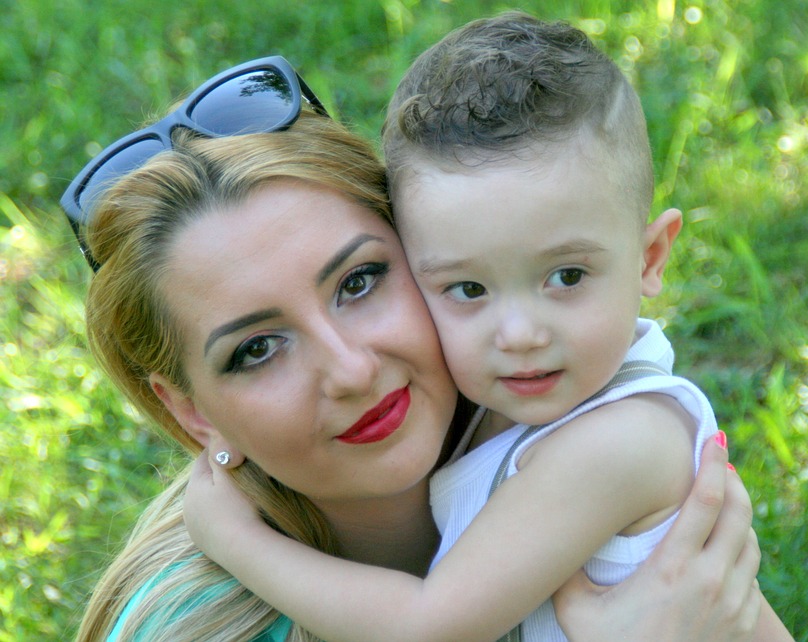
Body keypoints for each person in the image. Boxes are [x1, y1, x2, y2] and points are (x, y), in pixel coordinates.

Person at [63, 55, 763, 642]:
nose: (351, 369)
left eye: (359, 281)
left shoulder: (561, 423)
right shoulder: (191, 628)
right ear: (191, 412)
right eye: (257, 348)